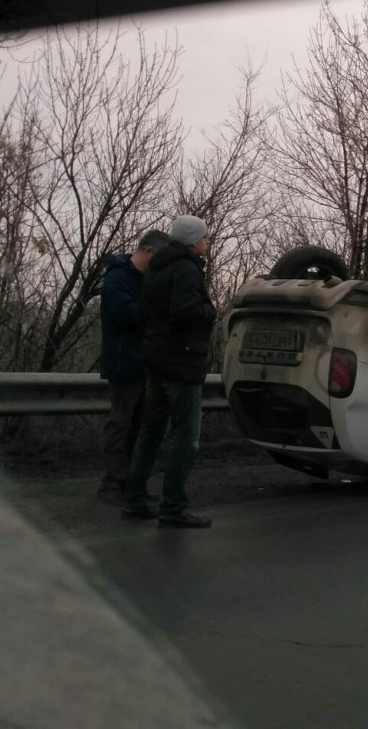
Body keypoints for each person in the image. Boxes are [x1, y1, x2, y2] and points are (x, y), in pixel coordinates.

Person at [122, 215, 217, 529]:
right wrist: (211, 310)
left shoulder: (156, 267)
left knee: (150, 431)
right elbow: (186, 310)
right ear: (192, 240)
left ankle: (134, 499)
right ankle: (173, 507)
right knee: (184, 438)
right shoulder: (187, 268)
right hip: (181, 362)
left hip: (157, 358)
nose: (207, 241)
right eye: (204, 237)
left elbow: (145, 312)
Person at [95, 229, 169, 504]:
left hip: (143, 363)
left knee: (138, 426)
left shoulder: (143, 279)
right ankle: (111, 484)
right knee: (121, 424)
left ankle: (131, 484)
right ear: (148, 251)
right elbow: (126, 313)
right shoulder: (117, 276)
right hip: (122, 361)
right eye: (159, 258)